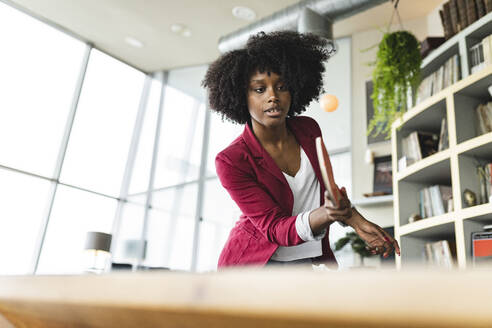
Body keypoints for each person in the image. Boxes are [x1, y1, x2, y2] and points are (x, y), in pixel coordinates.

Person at [202, 31, 400, 268]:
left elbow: (329, 191)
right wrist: (327, 214)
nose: (273, 96)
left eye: (282, 86)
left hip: (303, 259)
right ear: (241, 96)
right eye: (259, 89)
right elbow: (275, 228)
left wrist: (359, 223)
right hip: (256, 266)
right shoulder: (231, 160)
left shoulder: (308, 129)